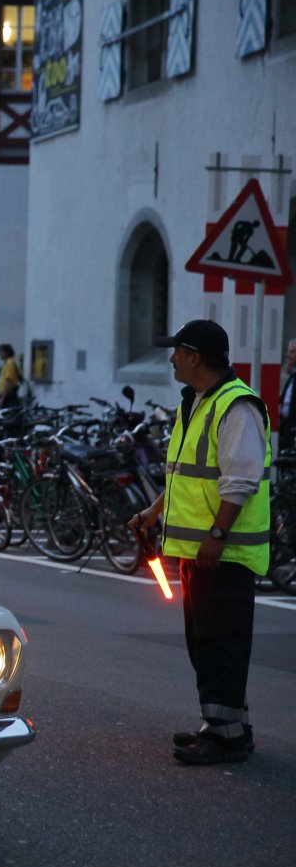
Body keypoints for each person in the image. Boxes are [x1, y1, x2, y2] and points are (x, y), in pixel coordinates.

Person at [130, 319, 271, 766]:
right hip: (201, 551)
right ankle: (225, 725)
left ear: (195, 357)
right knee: (207, 642)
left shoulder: (236, 406)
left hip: (223, 553)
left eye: (177, 352)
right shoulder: (197, 401)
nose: (171, 359)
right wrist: (155, 510)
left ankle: (226, 739)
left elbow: (240, 480)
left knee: (221, 644)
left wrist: (216, 535)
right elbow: (185, 475)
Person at [276, 337, 296, 455]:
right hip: (286, 428)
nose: (288, 355)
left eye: (292, 352)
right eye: (288, 351)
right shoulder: (291, 378)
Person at [0, 343, 23, 408]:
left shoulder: (9, 364)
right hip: (7, 395)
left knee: (4, 412)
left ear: (6, 353)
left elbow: (8, 382)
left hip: (7, 395)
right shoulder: (9, 362)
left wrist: (1, 399)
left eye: (1, 352)